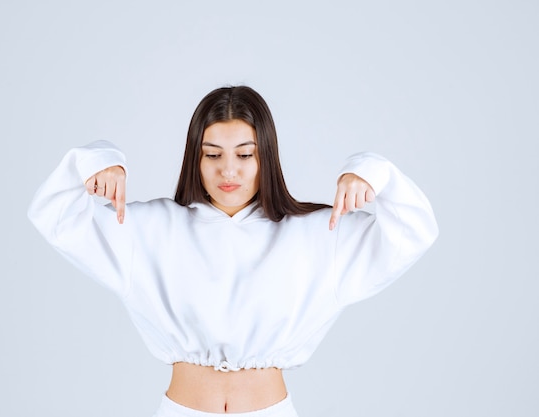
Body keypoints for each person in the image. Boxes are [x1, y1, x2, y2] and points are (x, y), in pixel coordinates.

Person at [28, 86, 438, 417]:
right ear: (195, 158)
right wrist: (100, 161)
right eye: (212, 155)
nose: (229, 170)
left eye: (245, 154)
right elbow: (55, 215)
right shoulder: (147, 229)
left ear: (267, 157)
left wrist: (370, 170)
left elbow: (413, 232)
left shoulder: (318, 233)